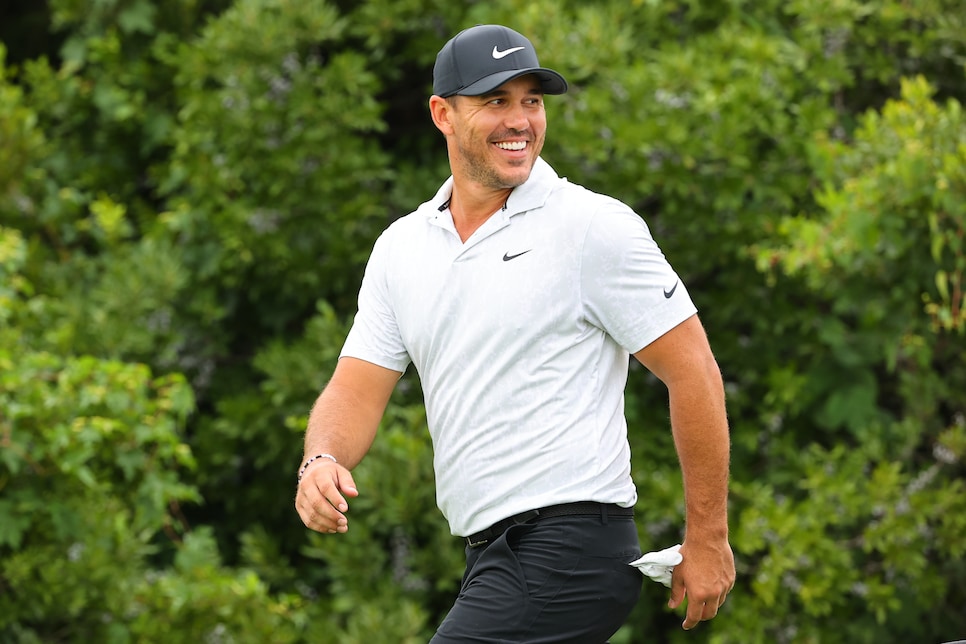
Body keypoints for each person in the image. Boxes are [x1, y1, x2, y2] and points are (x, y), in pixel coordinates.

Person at [295, 23, 735, 642]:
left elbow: (695, 373)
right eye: (496, 101)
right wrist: (322, 459)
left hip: (571, 550)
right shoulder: (402, 248)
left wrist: (708, 537)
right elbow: (356, 388)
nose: (520, 120)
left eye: (531, 100)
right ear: (442, 113)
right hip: (490, 556)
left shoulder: (593, 227)